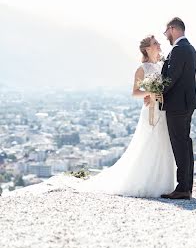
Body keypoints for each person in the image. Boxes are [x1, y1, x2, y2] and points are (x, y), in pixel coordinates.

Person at [33, 35, 177, 198]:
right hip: (150, 110)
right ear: (147, 49)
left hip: (162, 109)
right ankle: (147, 182)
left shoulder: (160, 65)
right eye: (155, 43)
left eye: (158, 42)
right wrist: (150, 93)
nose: (159, 45)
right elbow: (135, 93)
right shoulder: (141, 69)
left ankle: (163, 183)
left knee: (163, 143)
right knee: (149, 143)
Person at [153, 17, 196, 200]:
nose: (166, 37)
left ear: (172, 29)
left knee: (180, 145)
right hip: (186, 104)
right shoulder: (190, 48)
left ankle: (182, 188)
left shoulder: (179, 50)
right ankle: (186, 187)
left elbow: (171, 78)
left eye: (166, 33)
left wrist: (156, 90)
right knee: (185, 145)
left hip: (178, 105)